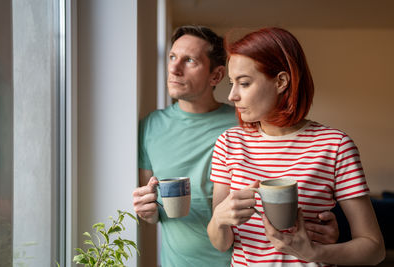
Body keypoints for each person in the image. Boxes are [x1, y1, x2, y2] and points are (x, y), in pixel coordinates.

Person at [133, 25, 340, 267]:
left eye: (189, 60)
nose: (174, 68)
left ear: (216, 76)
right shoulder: (150, 126)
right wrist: (148, 212)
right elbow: (154, 204)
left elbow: (294, 179)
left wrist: (321, 236)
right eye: (172, 57)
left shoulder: (248, 123)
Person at [207, 27, 386, 266]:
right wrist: (218, 219)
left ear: (281, 81)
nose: (232, 95)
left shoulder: (335, 145)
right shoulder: (228, 143)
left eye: (244, 83)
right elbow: (221, 243)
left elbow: (374, 249)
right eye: (232, 83)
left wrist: (315, 253)